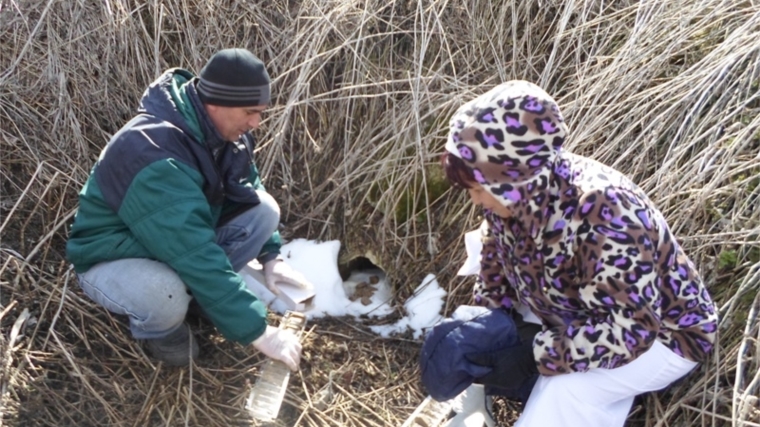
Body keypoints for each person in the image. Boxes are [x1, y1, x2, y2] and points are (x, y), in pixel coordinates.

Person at [438, 80, 718, 426]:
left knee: (566, 391)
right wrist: (486, 328)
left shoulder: (605, 213)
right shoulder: (511, 199)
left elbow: (632, 331)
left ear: (515, 178)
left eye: (480, 189)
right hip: (571, 307)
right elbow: (495, 260)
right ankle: (475, 404)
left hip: (663, 336)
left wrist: (533, 355)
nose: (477, 200)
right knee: (485, 331)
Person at [66, 48, 310, 370]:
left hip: (171, 243)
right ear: (218, 102)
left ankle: (202, 300)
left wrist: (270, 257)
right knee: (164, 295)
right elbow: (195, 253)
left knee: (263, 210)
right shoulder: (151, 153)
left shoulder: (224, 134)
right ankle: (162, 330)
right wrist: (260, 331)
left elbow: (246, 189)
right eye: (251, 111)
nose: (257, 123)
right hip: (112, 256)